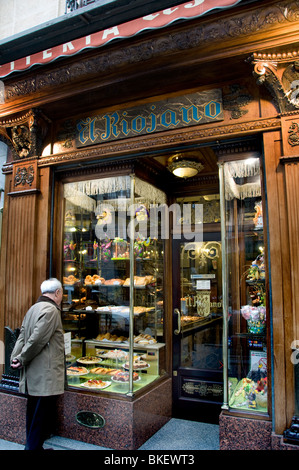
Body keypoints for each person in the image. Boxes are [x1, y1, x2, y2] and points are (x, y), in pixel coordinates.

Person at [10, 278, 65, 450]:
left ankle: (36, 447)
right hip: (45, 373)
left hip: (34, 372)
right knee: (40, 415)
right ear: (57, 293)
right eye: (62, 293)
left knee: (33, 412)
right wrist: (21, 358)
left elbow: (22, 335)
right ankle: (32, 448)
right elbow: (37, 340)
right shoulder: (51, 311)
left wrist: (16, 356)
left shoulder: (33, 308)